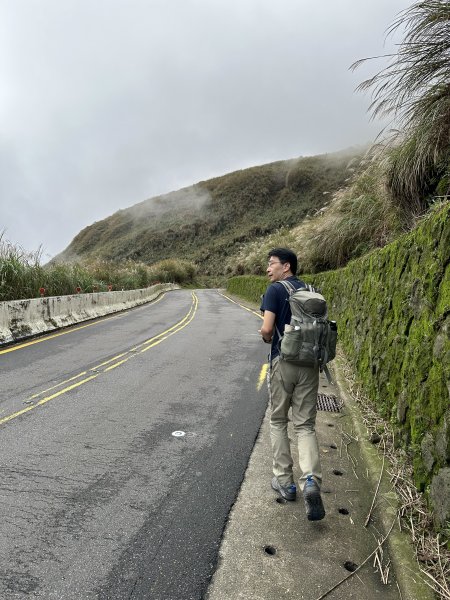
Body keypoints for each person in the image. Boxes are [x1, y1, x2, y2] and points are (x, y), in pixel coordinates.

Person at [259, 248, 325, 521]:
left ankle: (285, 482)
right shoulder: (312, 290)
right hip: (310, 365)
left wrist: (266, 337)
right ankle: (310, 480)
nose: (267, 269)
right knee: (305, 425)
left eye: (271, 263)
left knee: (278, 421)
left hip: (283, 363)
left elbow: (266, 329)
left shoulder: (275, 290)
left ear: (286, 266)